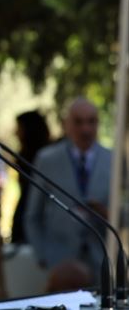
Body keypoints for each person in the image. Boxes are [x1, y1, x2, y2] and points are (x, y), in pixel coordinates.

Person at [24, 97, 111, 278]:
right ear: (67, 124)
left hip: (102, 263)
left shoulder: (114, 160)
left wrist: (106, 212)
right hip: (59, 263)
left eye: (91, 121)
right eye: (78, 122)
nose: (85, 129)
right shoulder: (47, 159)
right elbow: (32, 215)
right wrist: (42, 256)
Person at [10, 110, 52, 244]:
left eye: (19, 128)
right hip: (24, 218)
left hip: (40, 221)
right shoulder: (24, 156)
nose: (16, 133)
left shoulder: (44, 158)